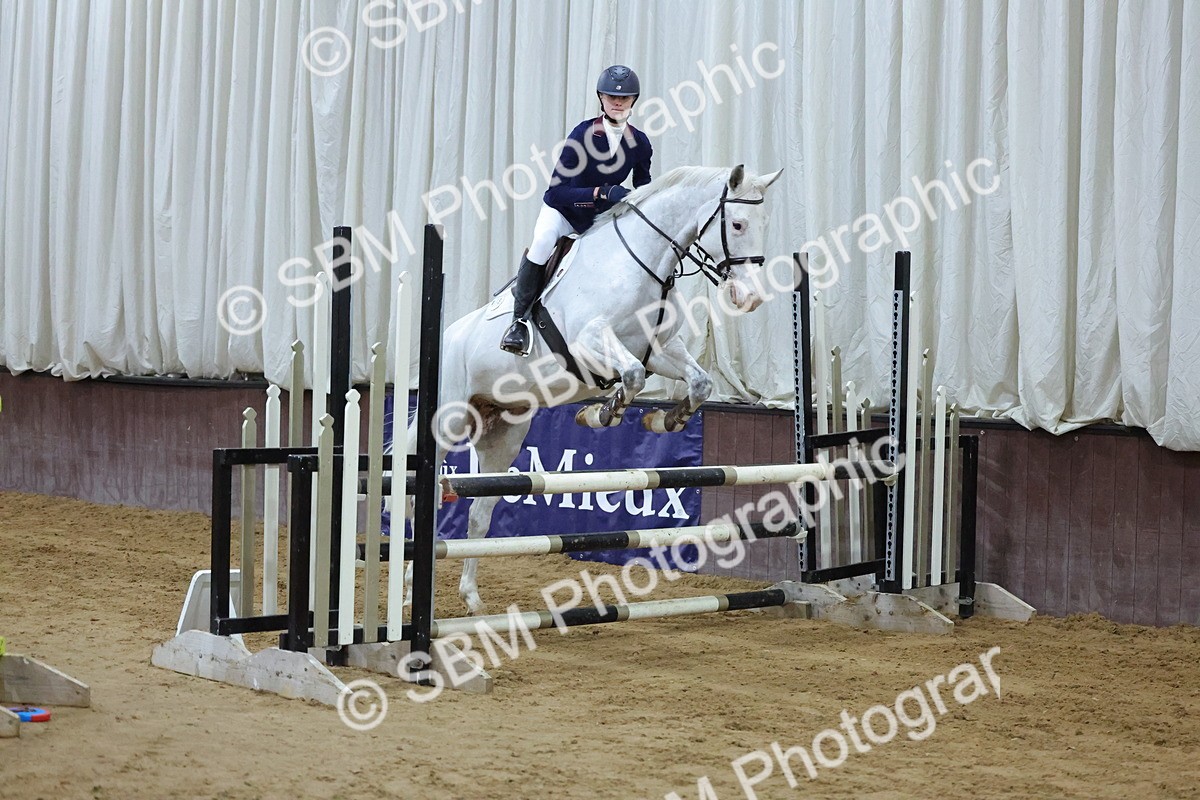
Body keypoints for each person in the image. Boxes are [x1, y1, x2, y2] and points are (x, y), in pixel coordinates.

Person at [500, 64, 654, 355]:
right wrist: (599, 193)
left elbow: (644, 183)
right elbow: (556, 192)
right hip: (564, 212)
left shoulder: (640, 142)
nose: (618, 102)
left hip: (601, 221)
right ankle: (518, 321)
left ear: (634, 100)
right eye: (611, 97)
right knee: (543, 240)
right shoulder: (582, 135)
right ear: (601, 98)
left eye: (624, 98)